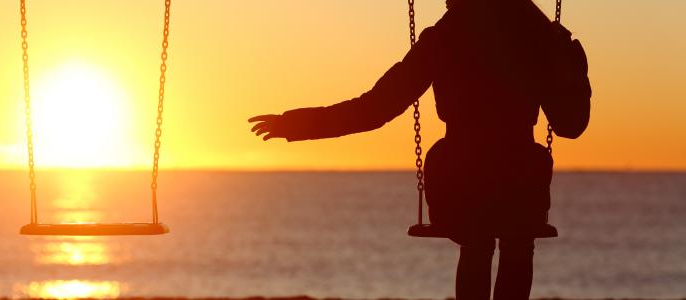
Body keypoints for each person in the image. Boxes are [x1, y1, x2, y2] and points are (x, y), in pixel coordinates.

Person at [249, 0, 590, 299]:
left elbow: (374, 108)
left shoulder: (446, 36)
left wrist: (295, 124)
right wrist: (575, 69)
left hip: (461, 179)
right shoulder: (538, 35)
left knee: (476, 242)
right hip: (518, 179)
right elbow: (571, 125)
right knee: (518, 242)